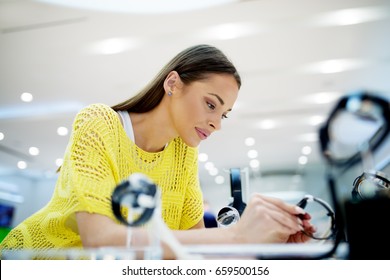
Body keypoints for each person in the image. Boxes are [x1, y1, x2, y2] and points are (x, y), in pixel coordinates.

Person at [0, 44, 314, 258]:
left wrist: (265, 245)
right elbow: (100, 239)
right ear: (173, 84)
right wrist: (239, 236)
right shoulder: (99, 122)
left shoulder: (184, 152)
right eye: (210, 104)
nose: (216, 124)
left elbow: (190, 246)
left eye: (224, 114)